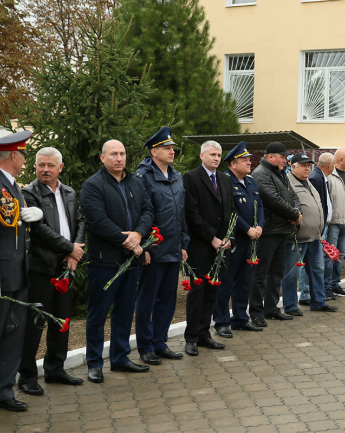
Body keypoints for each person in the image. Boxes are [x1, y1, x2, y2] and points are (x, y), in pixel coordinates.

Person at [0, 131, 44, 419]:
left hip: (16, 275)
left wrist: (34, 216)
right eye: (24, 155)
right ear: (14, 155)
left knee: (11, 337)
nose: (25, 160)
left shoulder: (11, 185)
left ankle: (1, 391)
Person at [81, 140, 154, 383]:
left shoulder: (135, 182)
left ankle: (120, 358)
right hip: (104, 262)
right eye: (113, 154)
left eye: (122, 153)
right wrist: (128, 241)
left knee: (124, 312)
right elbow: (97, 221)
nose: (119, 158)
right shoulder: (93, 185)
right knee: (98, 315)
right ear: (103, 158)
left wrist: (139, 234)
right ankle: (94, 363)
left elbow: (148, 210)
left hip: (130, 261)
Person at [18, 147, 86, 396]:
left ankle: (55, 369)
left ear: (60, 167)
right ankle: (27, 376)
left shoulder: (69, 192)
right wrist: (70, 248)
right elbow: (39, 230)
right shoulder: (29, 193)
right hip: (41, 268)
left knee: (61, 320)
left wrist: (75, 249)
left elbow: (81, 221)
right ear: (35, 167)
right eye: (41, 165)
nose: (45, 170)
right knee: (34, 324)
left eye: (50, 165)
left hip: (66, 266)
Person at [134, 127, 190, 365]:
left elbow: (181, 213)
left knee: (167, 299)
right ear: (153, 151)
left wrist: (183, 243)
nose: (172, 151)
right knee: (147, 300)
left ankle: (160, 342)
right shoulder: (142, 177)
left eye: (172, 148)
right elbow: (139, 214)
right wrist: (144, 247)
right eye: (166, 148)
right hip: (153, 249)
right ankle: (146, 346)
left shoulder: (176, 177)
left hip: (173, 248)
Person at [183, 141, 236, 356]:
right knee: (197, 293)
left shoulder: (224, 178)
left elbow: (232, 210)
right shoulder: (191, 178)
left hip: (220, 247)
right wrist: (211, 237)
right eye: (212, 154)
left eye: (219, 155)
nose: (216, 158)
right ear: (201, 156)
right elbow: (192, 213)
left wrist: (229, 237)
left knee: (212, 292)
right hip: (200, 247)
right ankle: (191, 338)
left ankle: (204, 334)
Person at [213, 141, 264, 337]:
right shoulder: (225, 181)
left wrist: (259, 226)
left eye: (249, 160)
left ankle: (240, 318)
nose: (249, 163)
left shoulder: (250, 181)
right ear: (233, 164)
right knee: (225, 282)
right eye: (245, 160)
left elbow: (259, 206)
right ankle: (221, 322)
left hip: (250, 240)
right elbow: (230, 211)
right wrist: (247, 228)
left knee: (244, 281)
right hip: (233, 240)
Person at [249, 142, 301, 327]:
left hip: (281, 230)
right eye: (282, 157)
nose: (286, 160)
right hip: (268, 232)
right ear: (271, 156)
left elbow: (293, 195)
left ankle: (271, 308)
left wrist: (296, 212)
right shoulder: (261, 173)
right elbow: (271, 199)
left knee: (276, 273)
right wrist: (294, 214)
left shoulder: (280, 173)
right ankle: (256, 312)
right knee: (260, 274)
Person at [283, 154, 338, 314]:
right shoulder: (287, 183)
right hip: (297, 238)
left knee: (317, 270)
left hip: (315, 237)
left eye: (308, 165)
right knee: (292, 273)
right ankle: (290, 306)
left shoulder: (308, 182)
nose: (307, 168)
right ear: (293, 166)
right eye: (303, 165)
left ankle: (319, 302)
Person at [323, 148, 345, 299]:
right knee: (331, 255)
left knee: (341, 254)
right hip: (334, 222)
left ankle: (335, 284)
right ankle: (326, 286)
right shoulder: (330, 174)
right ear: (341, 159)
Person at [306, 152, 335, 301]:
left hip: (322, 226)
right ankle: (306, 294)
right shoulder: (315, 178)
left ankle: (317, 296)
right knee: (311, 264)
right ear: (330, 166)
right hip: (317, 228)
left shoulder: (322, 177)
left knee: (318, 264)